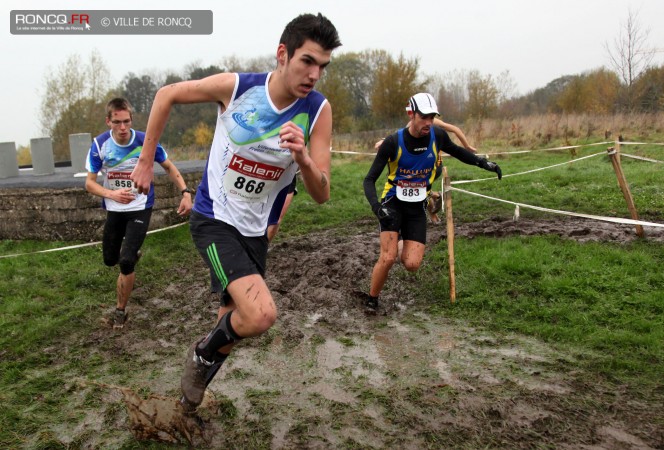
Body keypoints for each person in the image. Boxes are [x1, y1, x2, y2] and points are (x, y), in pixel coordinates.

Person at [130, 13, 341, 412]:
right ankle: (199, 356)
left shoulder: (318, 110)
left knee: (231, 323)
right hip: (213, 219)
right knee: (260, 315)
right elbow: (166, 94)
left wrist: (303, 158)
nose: (314, 75)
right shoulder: (238, 87)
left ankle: (185, 405)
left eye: (322, 67)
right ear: (283, 54)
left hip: (255, 231)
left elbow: (322, 194)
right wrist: (144, 161)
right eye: (307, 61)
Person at [362, 93, 502, 312]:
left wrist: (484, 164)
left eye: (432, 117)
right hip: (392, 203)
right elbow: (369, 180)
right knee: (388, 258)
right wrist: (376, 208)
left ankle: (396, 242)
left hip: (417, 206)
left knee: (412, 264)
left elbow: (457, 152)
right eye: (424, 117)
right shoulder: (393, 142)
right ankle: (372, 299)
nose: (428, 122)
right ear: (412, 115)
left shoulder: (437, 135)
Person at [85, 98, 192, 329]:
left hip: (140, 207)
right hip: (114, 209)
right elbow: (89, 184)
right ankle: (133, 254)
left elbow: (169, 167)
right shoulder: (99, 144)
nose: (122, 128)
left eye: (126, 122)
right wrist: (112, 195)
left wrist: (185, 192)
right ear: (108, 121)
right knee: (109, 260)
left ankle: (120, 311)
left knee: (125, 262)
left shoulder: (145, 141)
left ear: (131, 120)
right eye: (117, 122)